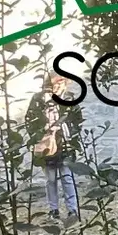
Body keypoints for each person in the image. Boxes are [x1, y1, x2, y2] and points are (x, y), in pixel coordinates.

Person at [25, 71, 82, 218]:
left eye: (61, 82)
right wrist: (39, 135)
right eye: (54, 83)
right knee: (50, 179)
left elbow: (78, 120)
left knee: (67, 177)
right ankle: (53, 209)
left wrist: (70, 133)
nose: (57, 86)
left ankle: (73, 210)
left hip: (65, 144)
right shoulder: (38, 99)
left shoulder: (69, 98)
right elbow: (29, 120)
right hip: (46, 145)